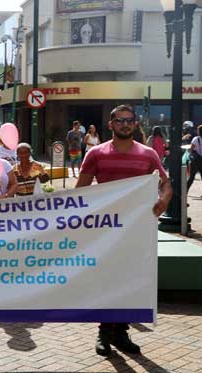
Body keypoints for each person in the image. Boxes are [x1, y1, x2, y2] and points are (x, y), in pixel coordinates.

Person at [76, 104, 172, 357]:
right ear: (111, 124)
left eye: (130, 120)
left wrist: (163, 200)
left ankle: (121, 332)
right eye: (120, 120)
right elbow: (80, 192)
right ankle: (104, 332)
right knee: (106, 281)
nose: (125, 124)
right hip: (104, 232)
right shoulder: (95, 154)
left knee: (130, 281)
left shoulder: (148, 154)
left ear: (136, 124)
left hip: (137, 231)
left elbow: (166, 185)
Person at [187, 124, 202, 198]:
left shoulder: (196, 139)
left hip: (197, 160)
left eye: (198, 130)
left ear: (200, 131)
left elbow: (191, 148)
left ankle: (185, 192)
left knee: (191, 177)